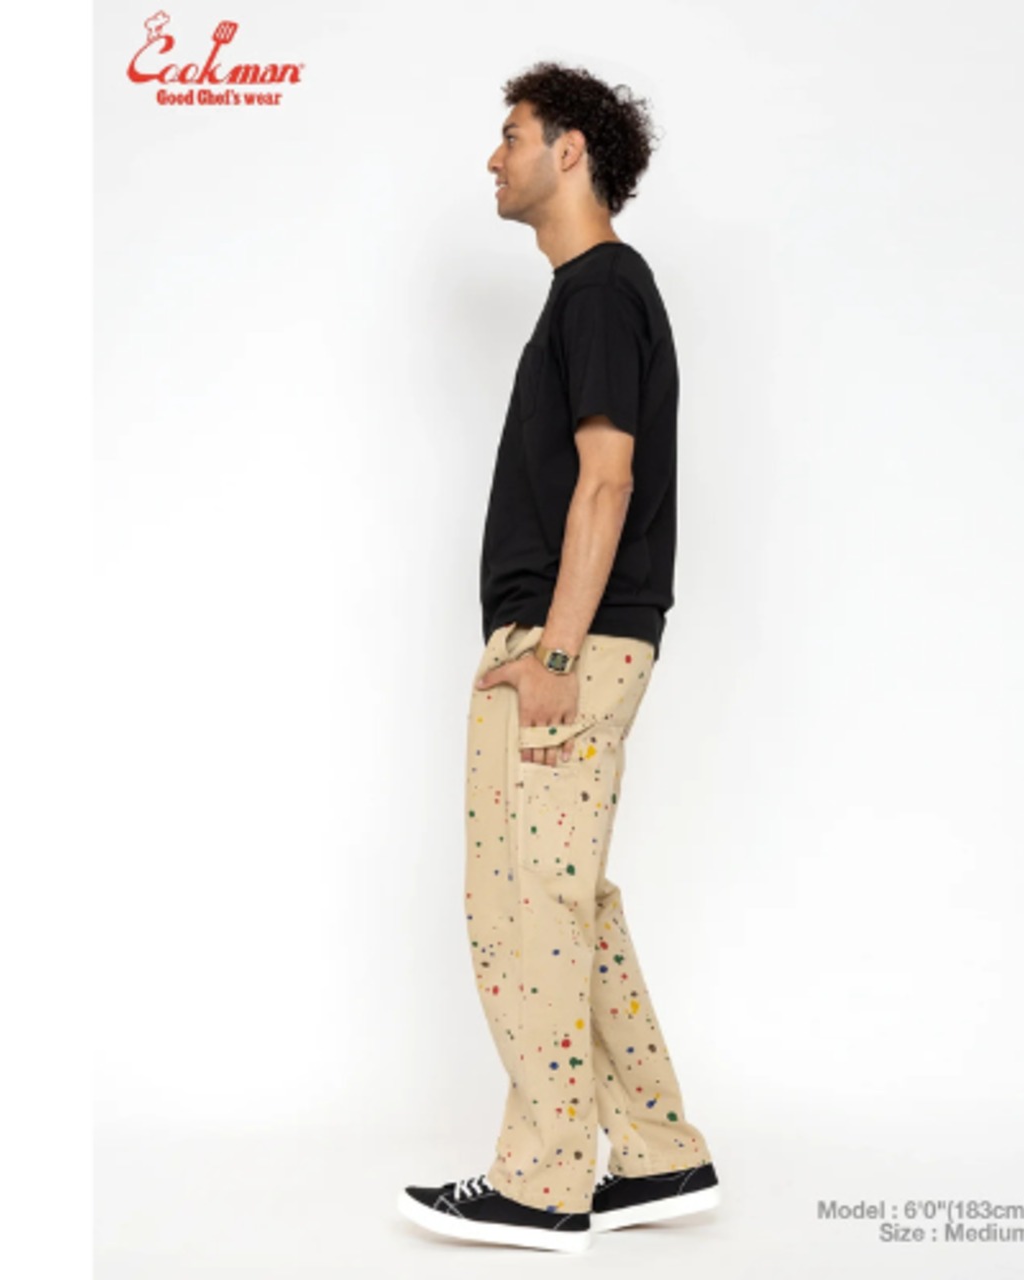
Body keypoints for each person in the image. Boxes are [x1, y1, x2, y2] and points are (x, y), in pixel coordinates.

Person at [397, 61, 719, 1254]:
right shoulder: (596, 293)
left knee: (523, 907)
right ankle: (657, 1147)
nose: (493, 157)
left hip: (565, 642)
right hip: (578, 638)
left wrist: (554, 654)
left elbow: (607, 479)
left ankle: (541, 1180)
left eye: (512, 133)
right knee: (566, 902)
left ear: (568, 149)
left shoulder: (598, 291)